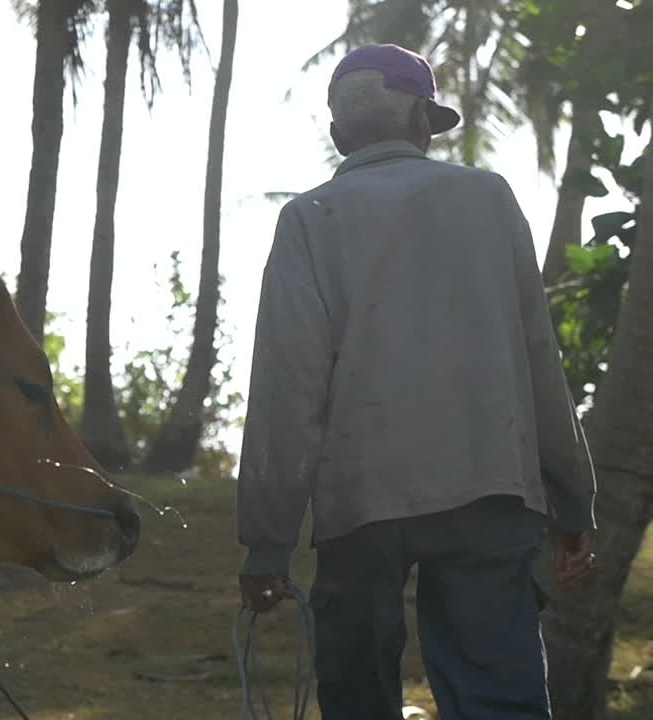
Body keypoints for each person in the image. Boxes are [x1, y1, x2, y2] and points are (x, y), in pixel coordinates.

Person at [234, 43, 598, 720]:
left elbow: (288, 387)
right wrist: (574, 500)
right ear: (424, 124)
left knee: (358, 697)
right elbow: (538, 358)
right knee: (499, 699)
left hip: (361, 497)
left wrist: (268, 541)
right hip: (489, 486)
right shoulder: (490, 199)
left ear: (340, 135)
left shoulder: (310, 219)